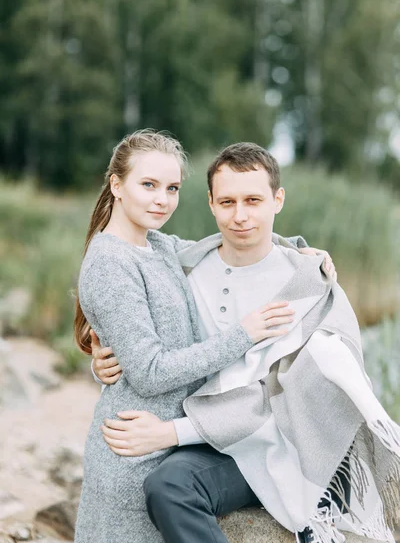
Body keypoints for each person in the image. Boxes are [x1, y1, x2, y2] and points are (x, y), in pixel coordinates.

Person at [93, 142, 400, 543]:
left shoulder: (305, 285)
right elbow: (148, 349)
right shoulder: (187, 269)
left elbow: (292, 398)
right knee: (167, 486)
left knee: (168, 484)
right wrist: (103, 362)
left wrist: (172, 433)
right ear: (210, 203)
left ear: (278, 200)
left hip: (283, 444)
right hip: (213, 441)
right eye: (227, 202)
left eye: (253, 200)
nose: (240, 216)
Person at [73, 130, 317, 543]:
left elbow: (228, 244)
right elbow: (149, 372)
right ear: (116, 184)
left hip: (172, 444)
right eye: (148, 185)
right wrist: (243, 334)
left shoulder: (159, 246)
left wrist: (297, 249)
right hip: (134, 454)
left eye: (171, 188)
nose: (161, 200)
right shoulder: (110, 264)